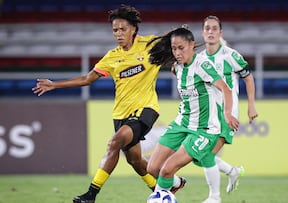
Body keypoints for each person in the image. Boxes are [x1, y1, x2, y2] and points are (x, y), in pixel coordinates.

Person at [32, 5, 172, 203]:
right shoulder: (112, 56)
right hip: (120, 114)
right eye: (115, 30)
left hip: (145, 109)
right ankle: (164, 191)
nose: (119, 34)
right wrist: (55, 85)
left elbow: (175, 41)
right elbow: (88, 79)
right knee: (135, 161)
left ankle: (91, 194)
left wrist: (181, 55)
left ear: (133, 29)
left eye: (123, 29)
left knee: (114, 142)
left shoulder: (149, 44)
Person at [145, 26, 240, 195]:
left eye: (181, 48)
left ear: (191, 45)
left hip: (203, 129)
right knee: (152, 168)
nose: (177, 53)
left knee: (167, 170)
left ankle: (163, 196)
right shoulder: (177, 67)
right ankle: (177, 183)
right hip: (182, 122)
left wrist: (227, 113)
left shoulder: (203, 65)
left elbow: (225, 89)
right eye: (174, 48)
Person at [199, 15, 258, 203]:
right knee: (199, 154)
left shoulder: (231, 55)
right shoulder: (198, 59)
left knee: (205, 155)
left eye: (214, 28)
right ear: (202, 32)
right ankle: (232, 171)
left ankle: (214, 197)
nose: (210, 31)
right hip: (207, 115)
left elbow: (248, 78)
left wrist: (251, 105)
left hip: (227, 113)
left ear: (220, 33)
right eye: (207, 28)